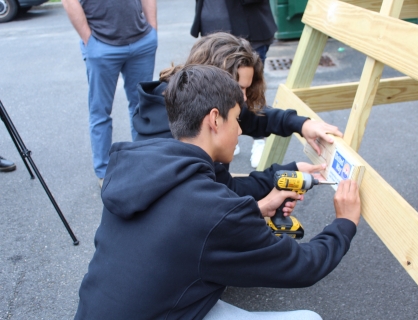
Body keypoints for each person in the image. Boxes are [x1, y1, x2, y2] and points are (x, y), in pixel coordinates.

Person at [74, 65, 361, 319]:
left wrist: (257, 209)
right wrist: (344, 223)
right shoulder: (212, 211)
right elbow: (303, 266)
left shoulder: (138, 166)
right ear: (214, 119)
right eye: (237, 119)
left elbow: (184, 229)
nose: (239, 130)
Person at [132, 32, 341, 198]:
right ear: (213, 76)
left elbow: (253, 117)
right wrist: (286, 173)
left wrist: (302, 124)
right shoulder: (181, 134)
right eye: (239, 88)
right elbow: (228, 190)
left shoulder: (189, 99)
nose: (243, 100)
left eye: (246, 90)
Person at [62, 0, 158, 188]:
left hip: (141, 41)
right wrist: (88, 39)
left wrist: (152, 30)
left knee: (141, 107)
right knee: (100, 111)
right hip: (101, 44)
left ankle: (144, 164)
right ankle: (104, 171)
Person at [191, 0, 279, 166]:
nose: (243, 97)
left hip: (249, 30)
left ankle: (258, 140)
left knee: (250, 93)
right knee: (217, 96)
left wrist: (299, 123)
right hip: (211, 33)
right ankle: (224, 137)